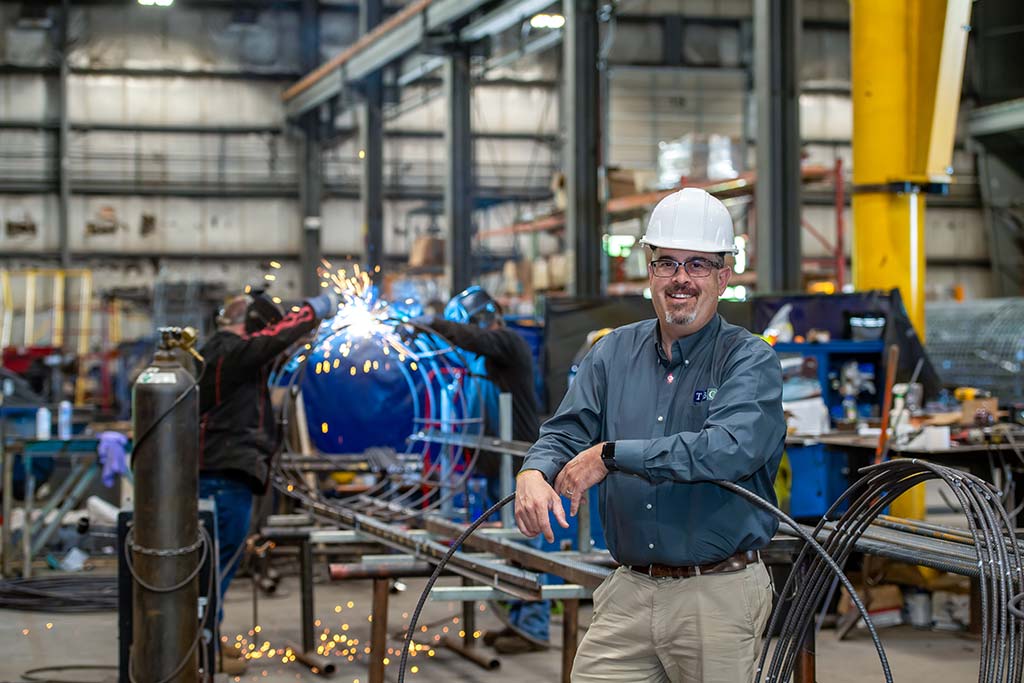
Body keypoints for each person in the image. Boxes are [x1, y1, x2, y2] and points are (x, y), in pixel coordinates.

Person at [515, 187, 786, 682]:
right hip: (629, 590)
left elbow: (728, 450)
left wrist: (612, 456)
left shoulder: (749, 359)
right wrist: (534, 470)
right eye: (667, 263)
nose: (680, 278)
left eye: (698, 264)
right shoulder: (611, 353)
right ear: (650, 269)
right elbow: (565, 431)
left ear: (724, 276)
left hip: (716, 595)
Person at [197, 287, 338, 668]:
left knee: (216, 565)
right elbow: (271, 340)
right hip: (223, 477)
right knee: (214, 568)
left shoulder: (228, 357)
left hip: (226, 475)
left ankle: (208, 636)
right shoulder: (230, 351)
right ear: (251, 326)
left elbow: (274, 350)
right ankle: (201, 647)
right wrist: (315, 309)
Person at [428, 287, 549, 654]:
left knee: (526, 545)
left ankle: (535, 628)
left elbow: (474, 338)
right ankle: (518, 621)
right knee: (508, 549)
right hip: (500, 466)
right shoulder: (484, 356)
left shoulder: (508, 343)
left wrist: (433, 323)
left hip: (525, 464)